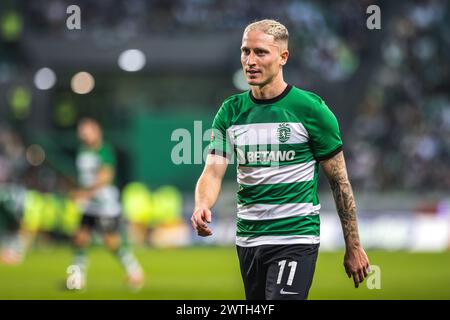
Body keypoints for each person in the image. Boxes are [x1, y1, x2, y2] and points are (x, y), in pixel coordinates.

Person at [191, 19, 370, 300]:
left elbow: (339, 182)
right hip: (248, 239)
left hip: (294, 238)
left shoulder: (311, 110)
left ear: (283, 57)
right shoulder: (230, 111)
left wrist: (354, 245)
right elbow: (213, 172)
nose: (250, 60)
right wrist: (202, 204)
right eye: (245, 51)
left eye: (260, 52)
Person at [69, 118, 144, 290]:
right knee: (80, 239)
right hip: (89, 205)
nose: (85, 134)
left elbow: (106, 177)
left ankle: (134, 271)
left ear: (97, 132)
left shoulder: (104, 151)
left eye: (88, 130)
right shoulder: (82, 151)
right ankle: (77, 278)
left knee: (111, 242)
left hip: (104, 205)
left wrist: (85, 193)